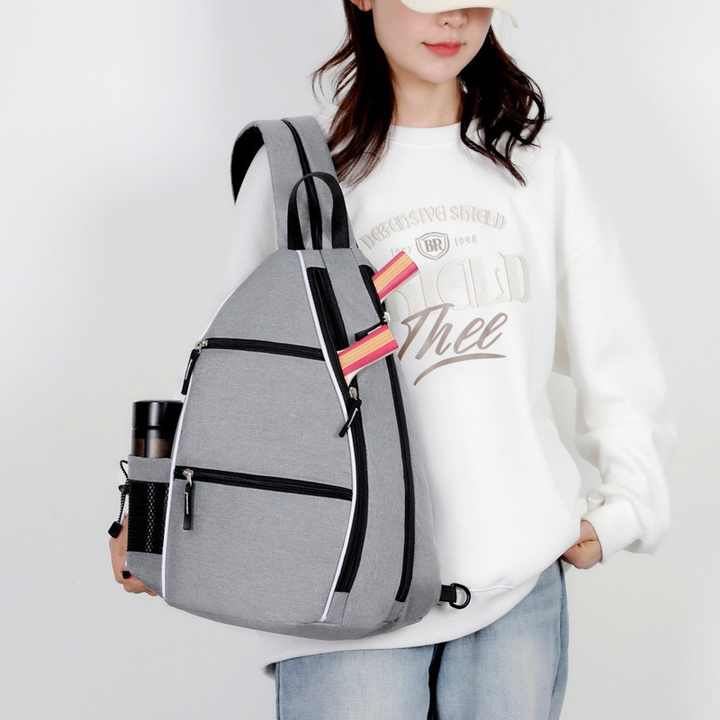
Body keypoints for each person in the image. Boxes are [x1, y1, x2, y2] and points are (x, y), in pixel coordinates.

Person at [110, 1, 678, 717]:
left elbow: (614, 348)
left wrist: (628, 506)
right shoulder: (299, 172)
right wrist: (151, 515)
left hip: (515, 587)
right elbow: (236, 376)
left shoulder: (535, 164)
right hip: (337, 589)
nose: (454, 21)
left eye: (471, 2)